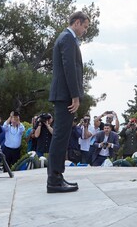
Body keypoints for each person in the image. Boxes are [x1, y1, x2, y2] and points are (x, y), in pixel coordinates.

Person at [47, 11, 89, 193]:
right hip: (65, 96)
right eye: (85, 26)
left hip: (64, 95)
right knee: (60, 137)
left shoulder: (66, 38)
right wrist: (75, 95)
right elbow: (70, 69)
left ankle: (57, 176)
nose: (85, 31)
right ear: (77, 22)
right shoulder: (67, 39)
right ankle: (54, 180)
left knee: (61, 137)